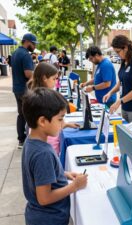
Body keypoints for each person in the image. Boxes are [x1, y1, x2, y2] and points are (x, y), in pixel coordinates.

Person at [22, 87, 88, 225]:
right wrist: (74, 186)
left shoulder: (31, 140)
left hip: (38, 215)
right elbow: (44, 198)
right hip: (49, 218)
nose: (62, 124)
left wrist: (63, 174)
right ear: (42, 121)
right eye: (60, 119)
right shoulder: (43, 153)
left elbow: (38, 175)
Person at [28, 62, 79, 154]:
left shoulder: (38, 95)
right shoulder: (43, 99)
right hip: (49, 141)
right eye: (54, 79)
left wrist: (66, 124)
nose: (56, 82)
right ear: (44, 78)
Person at [103, 35, 132, 132]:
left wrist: (119, 101)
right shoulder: (124, 61)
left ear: (125, 48)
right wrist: (110, 93)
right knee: (126, 137)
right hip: (125, 107)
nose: (117, 54)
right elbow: (121, 81)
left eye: (118, 52)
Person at [11, 33, 38, 149]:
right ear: (27, 42)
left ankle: (21, 140)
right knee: (29, 114)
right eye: (34, 44)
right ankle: (29, 140)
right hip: (25, 89)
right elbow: (28, 74)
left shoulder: (15, 53)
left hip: (17, 89)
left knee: (21, 115)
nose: (35, 46)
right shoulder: (26, 55)